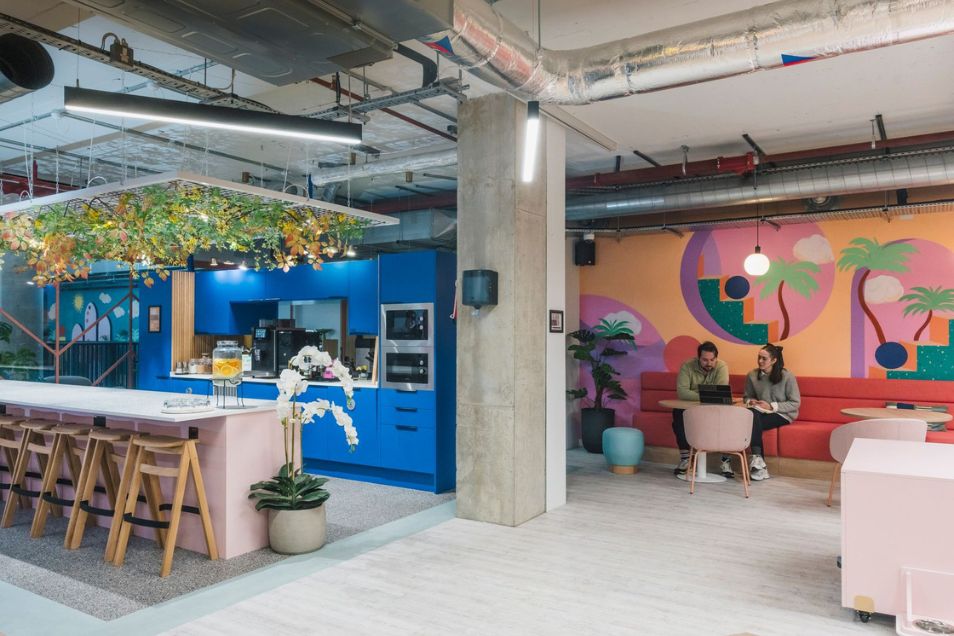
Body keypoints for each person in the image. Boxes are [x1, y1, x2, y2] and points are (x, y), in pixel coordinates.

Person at [671, 341, 731, 477]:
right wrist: (708, 395)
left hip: (715, 410)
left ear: (716, 358)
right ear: (698, 358)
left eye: (712, 360)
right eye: (705, 360)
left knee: (730, 417)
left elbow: (720, 393)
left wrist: (697, 394)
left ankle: (726, 461)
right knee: (678, 413)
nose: (709, 363)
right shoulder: (687, 366)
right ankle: (686, 459)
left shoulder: (722, 366)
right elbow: (682, 393)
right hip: (692, 410)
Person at [743, 343, 801, 481]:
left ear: (774, 360)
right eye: (759, 357)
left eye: (764, 358)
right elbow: (747, 397)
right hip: (759, 411)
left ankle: (758, 462)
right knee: (752, 415)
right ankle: (759, 464)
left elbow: (795, 403)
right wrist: (751, 401)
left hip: (782, 414)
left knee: (751, 421)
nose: (760, 361)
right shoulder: (752, 375)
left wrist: (771, 407)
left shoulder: (787, 376)